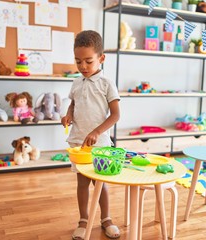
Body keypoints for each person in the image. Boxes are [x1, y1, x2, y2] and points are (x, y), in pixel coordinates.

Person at [61, 30, 121, 240]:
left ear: (101, 58)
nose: (83, 66)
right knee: (82, 183)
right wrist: (68, 115)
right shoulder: (76, 82)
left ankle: (106, 219)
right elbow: (74, 104)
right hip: (79, 142)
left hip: (101, 143)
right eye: (78, 61)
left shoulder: (106, 83)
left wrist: (96, 132)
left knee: (100, 183)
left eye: (88, 61)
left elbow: (115, 115)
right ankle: (83, 220)